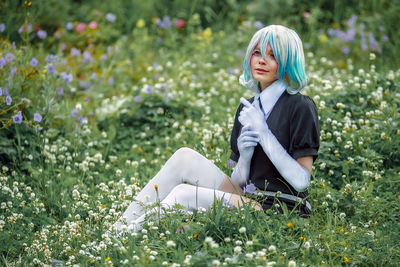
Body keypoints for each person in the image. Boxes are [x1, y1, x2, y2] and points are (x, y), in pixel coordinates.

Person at [110, 24, 319, 235]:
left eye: (273, 56)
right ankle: (115, 231)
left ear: (288, 62)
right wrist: (245, 157)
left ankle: (121, 239)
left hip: (279, 209)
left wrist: (264, 134)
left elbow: (301, 181)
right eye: (257, 52)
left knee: (183, 193)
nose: (261, 60)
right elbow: (239, 183)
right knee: (184, 156)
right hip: (248, 198)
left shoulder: (300, 106)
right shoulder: (247, 108)